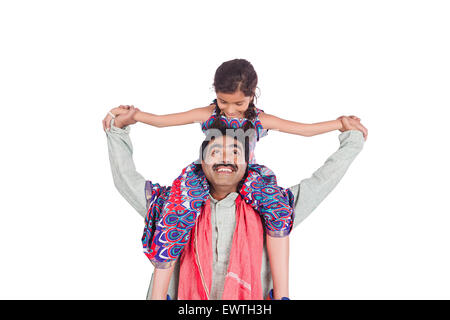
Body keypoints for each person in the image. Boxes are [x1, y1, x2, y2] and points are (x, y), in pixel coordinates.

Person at [102, 59, 368, 300]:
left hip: (247, 176)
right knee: (175, 213)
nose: (229, 109)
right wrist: (131, 116)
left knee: (279, 211)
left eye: (238, 103)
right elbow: (163, 121)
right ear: (215, 95)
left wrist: (339, 124)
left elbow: (305, 130)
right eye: (223, 101)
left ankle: (282, 294)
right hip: (202, 174)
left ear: (253, 95)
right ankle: (159, 295)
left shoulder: (260, 120)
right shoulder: (209, 114)